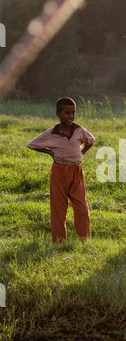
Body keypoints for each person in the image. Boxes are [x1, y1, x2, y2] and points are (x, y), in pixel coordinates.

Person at [27, 97, 94, 243]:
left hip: (76, 172)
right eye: (67, 113)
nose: (70, 116)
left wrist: (81, 153)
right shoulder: (52, 133)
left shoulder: (79, 130)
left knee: (82, 208)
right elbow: (31, 144)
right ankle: (59, 242)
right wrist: (50, 152)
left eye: (73, 113)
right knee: (58, 209)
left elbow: (91, 141)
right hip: (59, 172)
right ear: (58, 113)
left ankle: (85, 240)